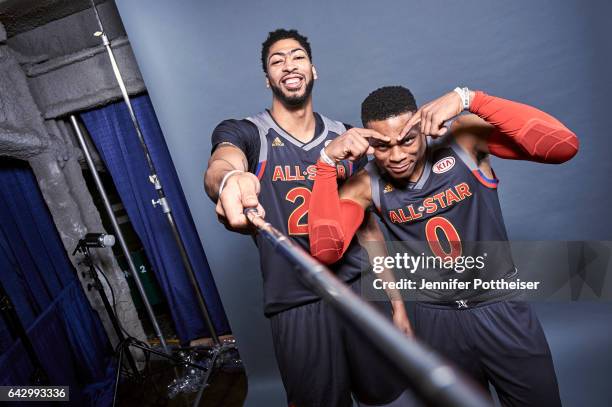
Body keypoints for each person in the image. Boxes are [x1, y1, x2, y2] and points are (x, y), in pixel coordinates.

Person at [308, 85, 578, 406]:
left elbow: (563, 146)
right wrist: (325, 163)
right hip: (436, 321)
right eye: (382, 145)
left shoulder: (463, 140)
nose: (396, 156)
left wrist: (471, 99)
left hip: (500, 305)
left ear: (423, 128)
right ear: (368, 142)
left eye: (407, 139)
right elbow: (326, 250)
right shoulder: (366, 184)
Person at [204, 29, 413, 406]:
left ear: (313, 70)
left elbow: (368, 226)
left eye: (297, 56)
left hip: (358, 290)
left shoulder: (347, 137)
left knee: (382, 394)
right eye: (276, 60)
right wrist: (229, 179)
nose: (288, 64)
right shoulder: (250, 134)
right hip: (297, 301)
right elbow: (223, 160)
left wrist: (397, 303)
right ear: (268, 78)